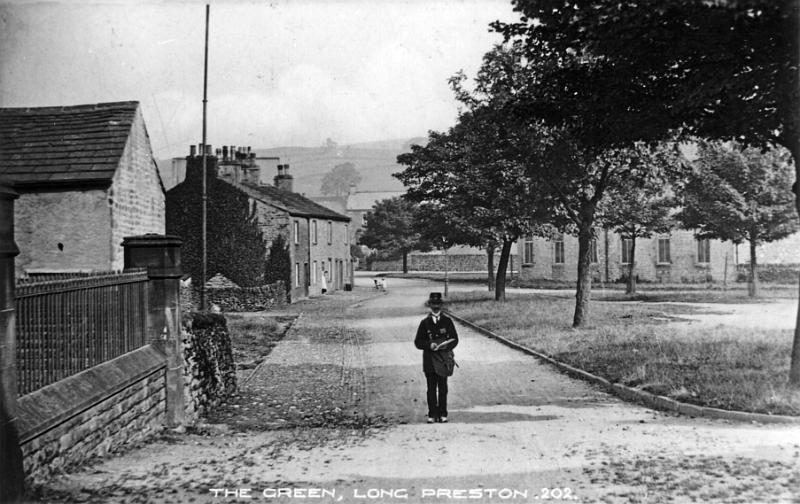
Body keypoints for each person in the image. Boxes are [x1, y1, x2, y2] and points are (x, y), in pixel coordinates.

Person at [414, 292, 458, 423]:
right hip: (429, 360)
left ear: (441, 305)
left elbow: (455, 339)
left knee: (443, 387)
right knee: (431, 388)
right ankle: (432, 414)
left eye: (438, 304)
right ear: (429, 305)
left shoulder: (447, 321)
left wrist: (446, 346)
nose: (436, 306)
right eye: (433, 304)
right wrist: (429, 344)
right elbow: (418, 342)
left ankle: (443, 413)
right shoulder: (424, 323)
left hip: (443, 360)